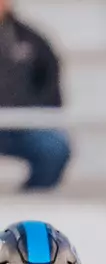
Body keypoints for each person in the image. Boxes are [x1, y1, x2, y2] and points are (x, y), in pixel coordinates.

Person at [0, 0, 69, 190]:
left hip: (21, 125)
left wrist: (34, 114)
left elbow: (50, 84)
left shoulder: (31, 40)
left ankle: (35, 197)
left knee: (54, 147)